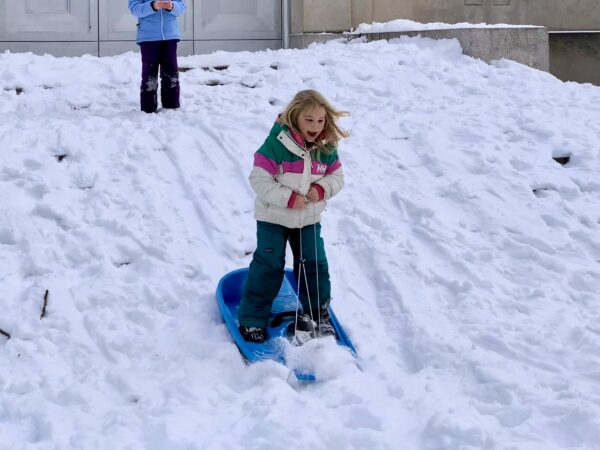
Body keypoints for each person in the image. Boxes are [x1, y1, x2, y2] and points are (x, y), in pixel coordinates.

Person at [238, 90, 350, 343]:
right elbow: (259, 179)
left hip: (308, 219)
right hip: (273, 218)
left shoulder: (326, 147)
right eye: (309, 120)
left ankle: (317, 314)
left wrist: (320, 189)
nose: (315, 126)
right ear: (296, 116)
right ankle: (252, 318)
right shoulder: (276, 145)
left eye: (320, 121)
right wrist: (288, 198)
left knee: (315, 264)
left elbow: (337, 177)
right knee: (269, 265)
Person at [128, 0, 186, 113]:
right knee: (149, 75)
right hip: (148, 37)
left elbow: (182, 7)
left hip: (170, 36)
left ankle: (171, 107)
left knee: (171, 73)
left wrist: (172, 6)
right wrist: (152, 6)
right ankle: (148, 109)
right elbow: (135, 9)